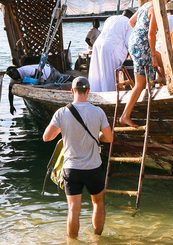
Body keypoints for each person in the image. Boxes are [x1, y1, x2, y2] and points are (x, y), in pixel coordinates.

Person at [43, 77, 113, 239]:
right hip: (93, 168)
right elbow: (109, 138)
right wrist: (98, 135)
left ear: (72, 91)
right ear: (88, 91)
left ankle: (72, 242)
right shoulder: (98, 112)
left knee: (74, 209)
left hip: (71, 168)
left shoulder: (61, 113)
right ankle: (97, 239)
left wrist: (61, 130)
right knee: (98, 203)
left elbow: (46, 137)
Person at [119, 0, 171, 128]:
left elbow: (131, 22)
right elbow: (151, 35)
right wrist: (153, 55)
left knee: (140, 84)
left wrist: (138, 34)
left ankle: (125, 115)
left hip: (133, 44)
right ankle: (168, 91)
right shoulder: (155, 9)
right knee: (163, 63)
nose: (167, 2)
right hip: (143, 45)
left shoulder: (145, 5)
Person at [88, 9, 134, 92]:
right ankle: (109, 94)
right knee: (109, 74)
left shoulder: (111, 18)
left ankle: (95, 93)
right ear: (132, 16)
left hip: (98, 45)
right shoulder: (129, 22)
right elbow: (128, 43)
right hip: (111, 48)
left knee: (97, 72)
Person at [6, 64, 73, 114]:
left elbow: (40, 73)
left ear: (16, 71)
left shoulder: (26, 70)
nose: (13, 77)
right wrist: (11, 106)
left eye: (13, 75)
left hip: (47, 71)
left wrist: (30, 80)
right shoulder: (13, 78)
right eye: (11, 76)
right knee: (43, 85)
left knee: (61, 78)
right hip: (41, 77)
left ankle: (74, 79)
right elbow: (10, 91)